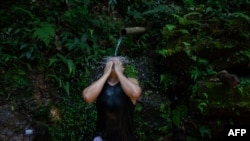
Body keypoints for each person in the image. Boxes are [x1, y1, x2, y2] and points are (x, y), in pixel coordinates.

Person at [82, 56, 142, 141]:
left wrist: (119, 72)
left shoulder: (131, 81)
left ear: (123, 67)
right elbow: (87, 97)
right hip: (102, 137)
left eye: (117, 63)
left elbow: (135, 93)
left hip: (126, 137)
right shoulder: (98, 85)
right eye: (110, 63)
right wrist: (105, 74)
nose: (114, 64)